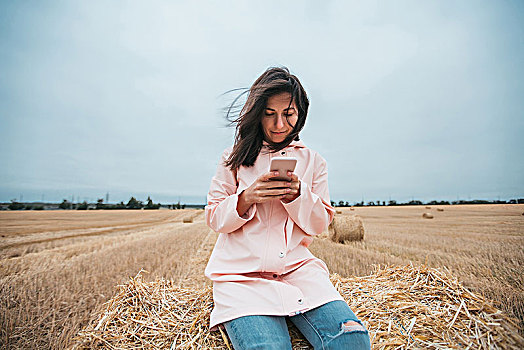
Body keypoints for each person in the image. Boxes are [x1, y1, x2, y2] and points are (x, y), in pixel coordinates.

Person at [204, 67, 371, 349]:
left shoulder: (314, 162)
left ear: (300, 114)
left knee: (353, 340)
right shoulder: (232, 158)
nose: (279, 124)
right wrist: (247, 198)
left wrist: (298, 195)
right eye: (270, 113)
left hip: (298, 272)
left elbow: (320, 225)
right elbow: (214, 217)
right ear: (257, 113)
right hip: (242, 278)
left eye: (288, 113)